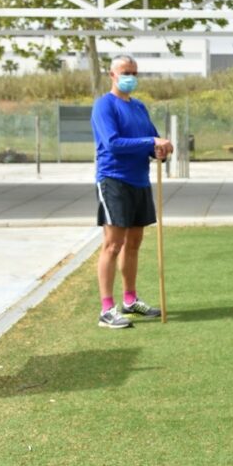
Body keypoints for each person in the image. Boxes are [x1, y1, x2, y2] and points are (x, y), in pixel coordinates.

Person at [90, 54, 174, 329]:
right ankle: (106, 310)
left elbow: (151, 143)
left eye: (135, 73)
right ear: (112, 75)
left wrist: (161, 150)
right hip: (114, 180)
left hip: (140, 181)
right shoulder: (104, 105)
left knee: (134, 243)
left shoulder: (138, 107)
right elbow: (113, 143)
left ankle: (130, 300)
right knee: (113, 244)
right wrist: (151, 141)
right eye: (126, 72)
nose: (131, 77)